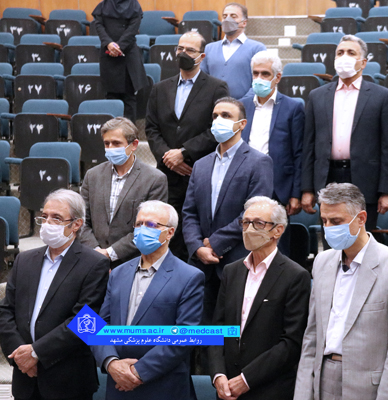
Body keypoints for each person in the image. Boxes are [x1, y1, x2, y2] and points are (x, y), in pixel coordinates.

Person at [294, 183, 388, 400]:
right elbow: (312, 336)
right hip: (322, 378)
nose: (328, 228)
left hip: (368, 387)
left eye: (336, 221)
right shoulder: (322, 262)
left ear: (361, 218)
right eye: (324, 221)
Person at [0, 189, 110, 400]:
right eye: (45, 216)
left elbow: (87, 322)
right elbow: (5, 311)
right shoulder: (24, 260)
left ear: (76, 224)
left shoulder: (95, 264)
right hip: (25, 378)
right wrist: (20, 356)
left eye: (57, 218)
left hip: (67, 382)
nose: (48, 223)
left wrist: (36, 353)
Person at [92, 200, 204, 400]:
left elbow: (184, 336)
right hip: (117, 384)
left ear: (169, 233)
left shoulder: (189, 277)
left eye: (151, 225)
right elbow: (100, 324)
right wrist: (112, 363)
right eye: (138, 224)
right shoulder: (118, 273)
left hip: (163, 387)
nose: (142, 229)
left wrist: (137, 372)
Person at [182, 97, 273, 325]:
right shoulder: (201, 165)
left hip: (237, 260)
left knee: (232, 332)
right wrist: (197, 247)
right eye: (215, 116)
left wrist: (215, 243)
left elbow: (255, 212)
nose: (218, 120)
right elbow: (189, 213)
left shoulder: (259, 162)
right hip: (201, 265)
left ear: (242, 124)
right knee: (202, 332)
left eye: (226, 116)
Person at [209, 196, 311, 400]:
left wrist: (246, 379)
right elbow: (218, 328)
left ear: (278, 230)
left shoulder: (295, 276)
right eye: (245, 222)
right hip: (226, 388)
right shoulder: (231, 271)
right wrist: (218, 374)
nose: (249, 229)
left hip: (269, 389)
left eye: (258, 223)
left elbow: (291, 341)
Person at [146, 31, 229, 261]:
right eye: (180, 49)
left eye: (190, 50)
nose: (183, 53)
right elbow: (151, 129)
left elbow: (217, 129)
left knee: (194, 234)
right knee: (167, 233)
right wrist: (169, 157)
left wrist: (184, 153)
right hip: (167, 175)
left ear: (202, 56)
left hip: (198, 172)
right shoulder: (160, 88)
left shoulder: (216, 87)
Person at [301, 35, 388, 232]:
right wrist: (307, 189)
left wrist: (387, 191)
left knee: (361, 237)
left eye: (351, 53)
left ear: (363, 62)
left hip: (364, 179)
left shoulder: (381, 96)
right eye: (340, 53)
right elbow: (309, 146)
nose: (344, 57)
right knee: (331, 236)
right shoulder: (317, 96)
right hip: (328, 177)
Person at [80, 117, 168, 269]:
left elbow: (150, 227)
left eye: (116, 143)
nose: (110, 148)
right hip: (93, 261)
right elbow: (81, 221)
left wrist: (110, 253)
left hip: (133, 263)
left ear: (134, 145)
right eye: (107, 143)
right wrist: (96, 251)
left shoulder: (154, 179)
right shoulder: (92, 175)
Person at [240, 51, 305, 255]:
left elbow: (299, 153)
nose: (259, 78)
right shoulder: (241, 106)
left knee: (277, 245)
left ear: (277, 77)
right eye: (255, 73)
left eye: (265, 74)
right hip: (244, 182)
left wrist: (295, 193)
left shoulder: (293, 107)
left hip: (278, 187)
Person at [92, 0, 147, 122]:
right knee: (111, 97)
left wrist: (119, 46)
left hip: (128, 55)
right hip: (108, 56)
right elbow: (99, 26)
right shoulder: (103, 5)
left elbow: (132, 30)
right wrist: (108, 43)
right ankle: (112, 131)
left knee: (129, 97)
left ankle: (130, 132)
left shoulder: (134, 5)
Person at [201, 3, 267, 99]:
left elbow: (260, 80)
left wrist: (242, 103)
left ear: (244, 23)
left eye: (233, 16)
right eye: (225, 16)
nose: (228, 19)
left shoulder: (257, 48)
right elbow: (202, 80)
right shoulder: (209, 48)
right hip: (214, 105)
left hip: (245, 105)